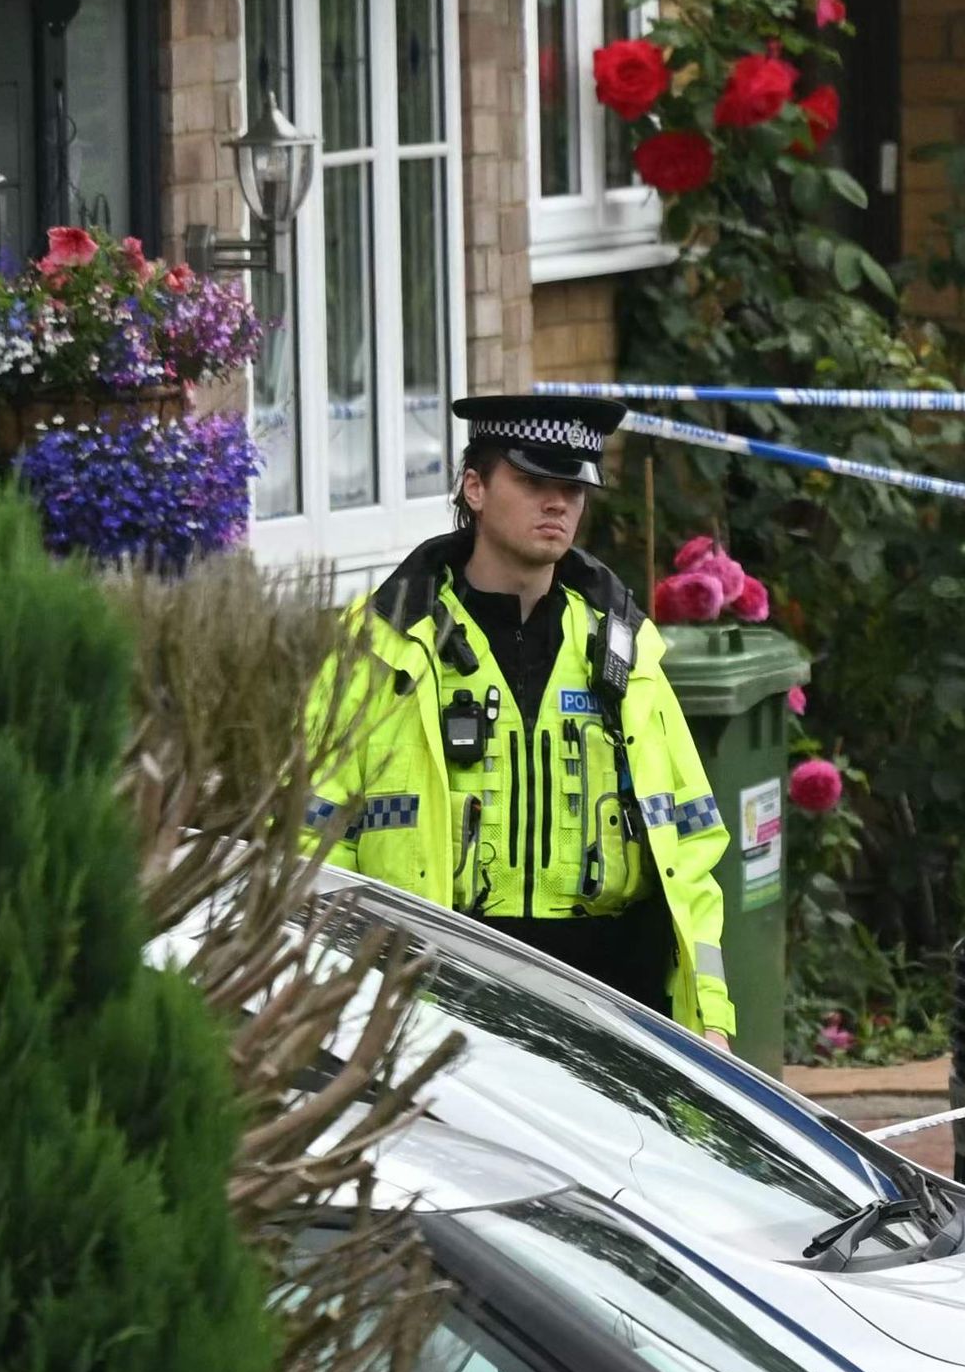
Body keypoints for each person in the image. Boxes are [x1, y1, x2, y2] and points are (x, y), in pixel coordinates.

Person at [306, 394, 738, 1043]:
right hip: (436, 987)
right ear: (474, 488)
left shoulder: (626, 653)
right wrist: (331, 996)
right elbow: (312, 837)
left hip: (614, 1000)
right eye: (534, 481)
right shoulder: (382, 645)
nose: (558, 503)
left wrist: (709, 1016)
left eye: (573, 486)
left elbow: (692, 847)